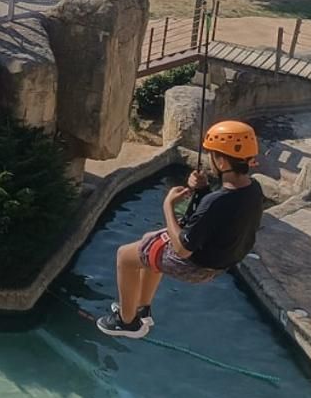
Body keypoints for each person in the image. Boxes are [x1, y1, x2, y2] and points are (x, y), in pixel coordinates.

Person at [98, 121, 265, 338]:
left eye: (211, 155)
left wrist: (168, 205)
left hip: (195, 266)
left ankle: (127, 322)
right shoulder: (254, 189)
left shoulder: (215, 202)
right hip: (219, 262)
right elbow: (220, 213)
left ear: (222, 161)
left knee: (124, 256)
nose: (209, 160)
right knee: (149, 240)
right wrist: (202, 190)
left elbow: (182, 249)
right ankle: (142, 308)